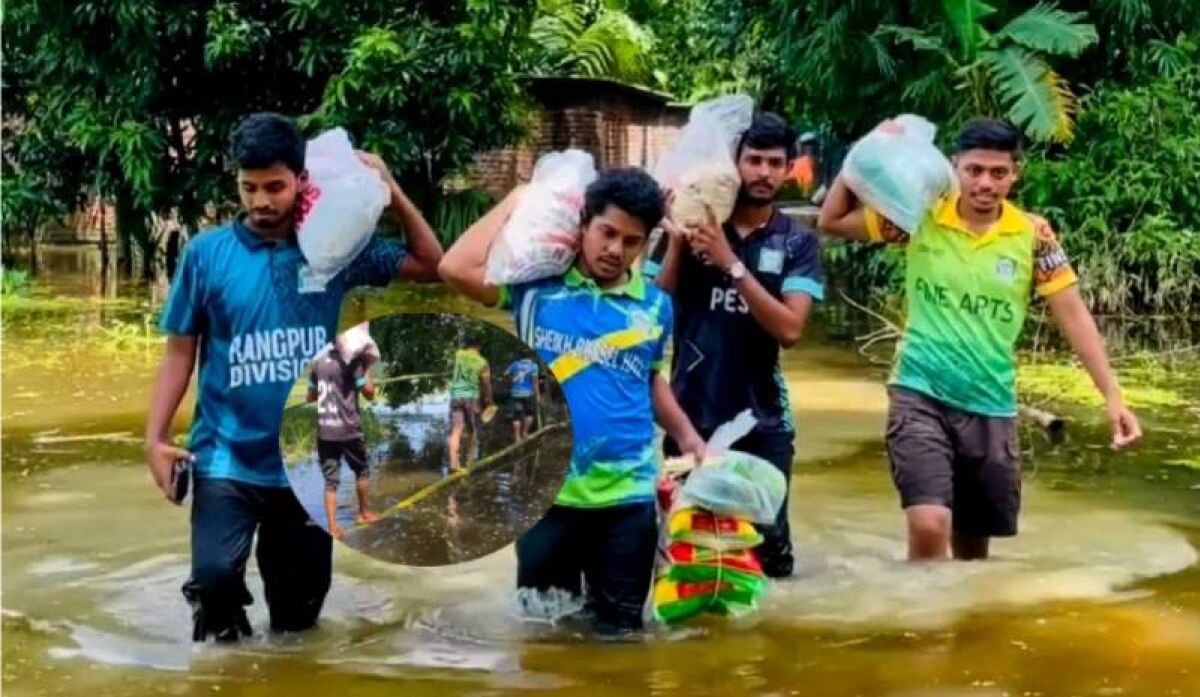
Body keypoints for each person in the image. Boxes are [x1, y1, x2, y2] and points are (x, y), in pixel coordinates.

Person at [144, 112, 443, 641]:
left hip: (307, 462)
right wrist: (156, 438)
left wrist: (392, 191)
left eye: (275, 187)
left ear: (302, 181)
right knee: (214, 586)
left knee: (297, 620)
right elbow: (179, 352)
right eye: (249, 187)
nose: (261, 201)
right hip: (225, 457)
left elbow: (433, 264)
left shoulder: (334, 250)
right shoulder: (207, 255)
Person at [817, 117, 1142, 562]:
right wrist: (864, 152)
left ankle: (960, 627)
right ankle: (923, 628)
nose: (985, 183)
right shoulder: (919, 216)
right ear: (954, 168)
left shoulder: (1033, 235)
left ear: (1015, 174)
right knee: (929, 523)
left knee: (973, 550)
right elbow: (832, 220)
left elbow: (1073, 313)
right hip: (919, 391)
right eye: (974, 171)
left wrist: (1113, 397)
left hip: (990, 402)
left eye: (998, 172)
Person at [438, 167, 707, 633]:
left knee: (621, 638)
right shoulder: (533, 288)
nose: (614, 250)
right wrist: (517, 198)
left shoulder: (655, 304)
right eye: (606, 233)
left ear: (645, 243)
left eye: (631, 241)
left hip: (626, 499)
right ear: (583, 222)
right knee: (544, 636)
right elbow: (453, 268)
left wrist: (689, 438)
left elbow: (649, 380)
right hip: (546, 497)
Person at [645, 112, 824, 579]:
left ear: (788, 169)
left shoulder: (796, 242)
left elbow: (790, 329)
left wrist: (731, 266)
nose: (763, 173)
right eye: (753, 160)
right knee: (688, 550)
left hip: (764, 419)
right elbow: (649, 320)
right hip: (690, 415)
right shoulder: (693, 227)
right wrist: (679, 243)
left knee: (769, 554)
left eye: (774, 163)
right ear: (735, 164)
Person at [307, 337, 380, 539]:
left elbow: (310, 397)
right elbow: (370, 393)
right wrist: (366, 367)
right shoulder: (353, 362)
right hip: (349, 430)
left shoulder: (318, 363)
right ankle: (364, 514)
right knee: (362, 471)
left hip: (325, 432)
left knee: (331, 481)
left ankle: (332, 527)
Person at [447, 337, 493, 473]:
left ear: (467, 346)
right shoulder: (482, 362)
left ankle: (453, 463)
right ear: (478, 347)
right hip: (471, 396)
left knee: (456, 430)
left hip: (456, 395)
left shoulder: (458, 354)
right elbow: (486, 383)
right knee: (473, 430)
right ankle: (469, 461)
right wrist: (489, 399)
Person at [505, 356, 541, 441]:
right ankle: (525, 432)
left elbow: (505, 374)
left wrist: (512, 379)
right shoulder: (533, 366)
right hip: (528, 394)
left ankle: (517, 437)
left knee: (516, 416)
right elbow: (535, 383)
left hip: (515, 394)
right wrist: (537, 395)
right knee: (529, 414)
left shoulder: (515, 364)